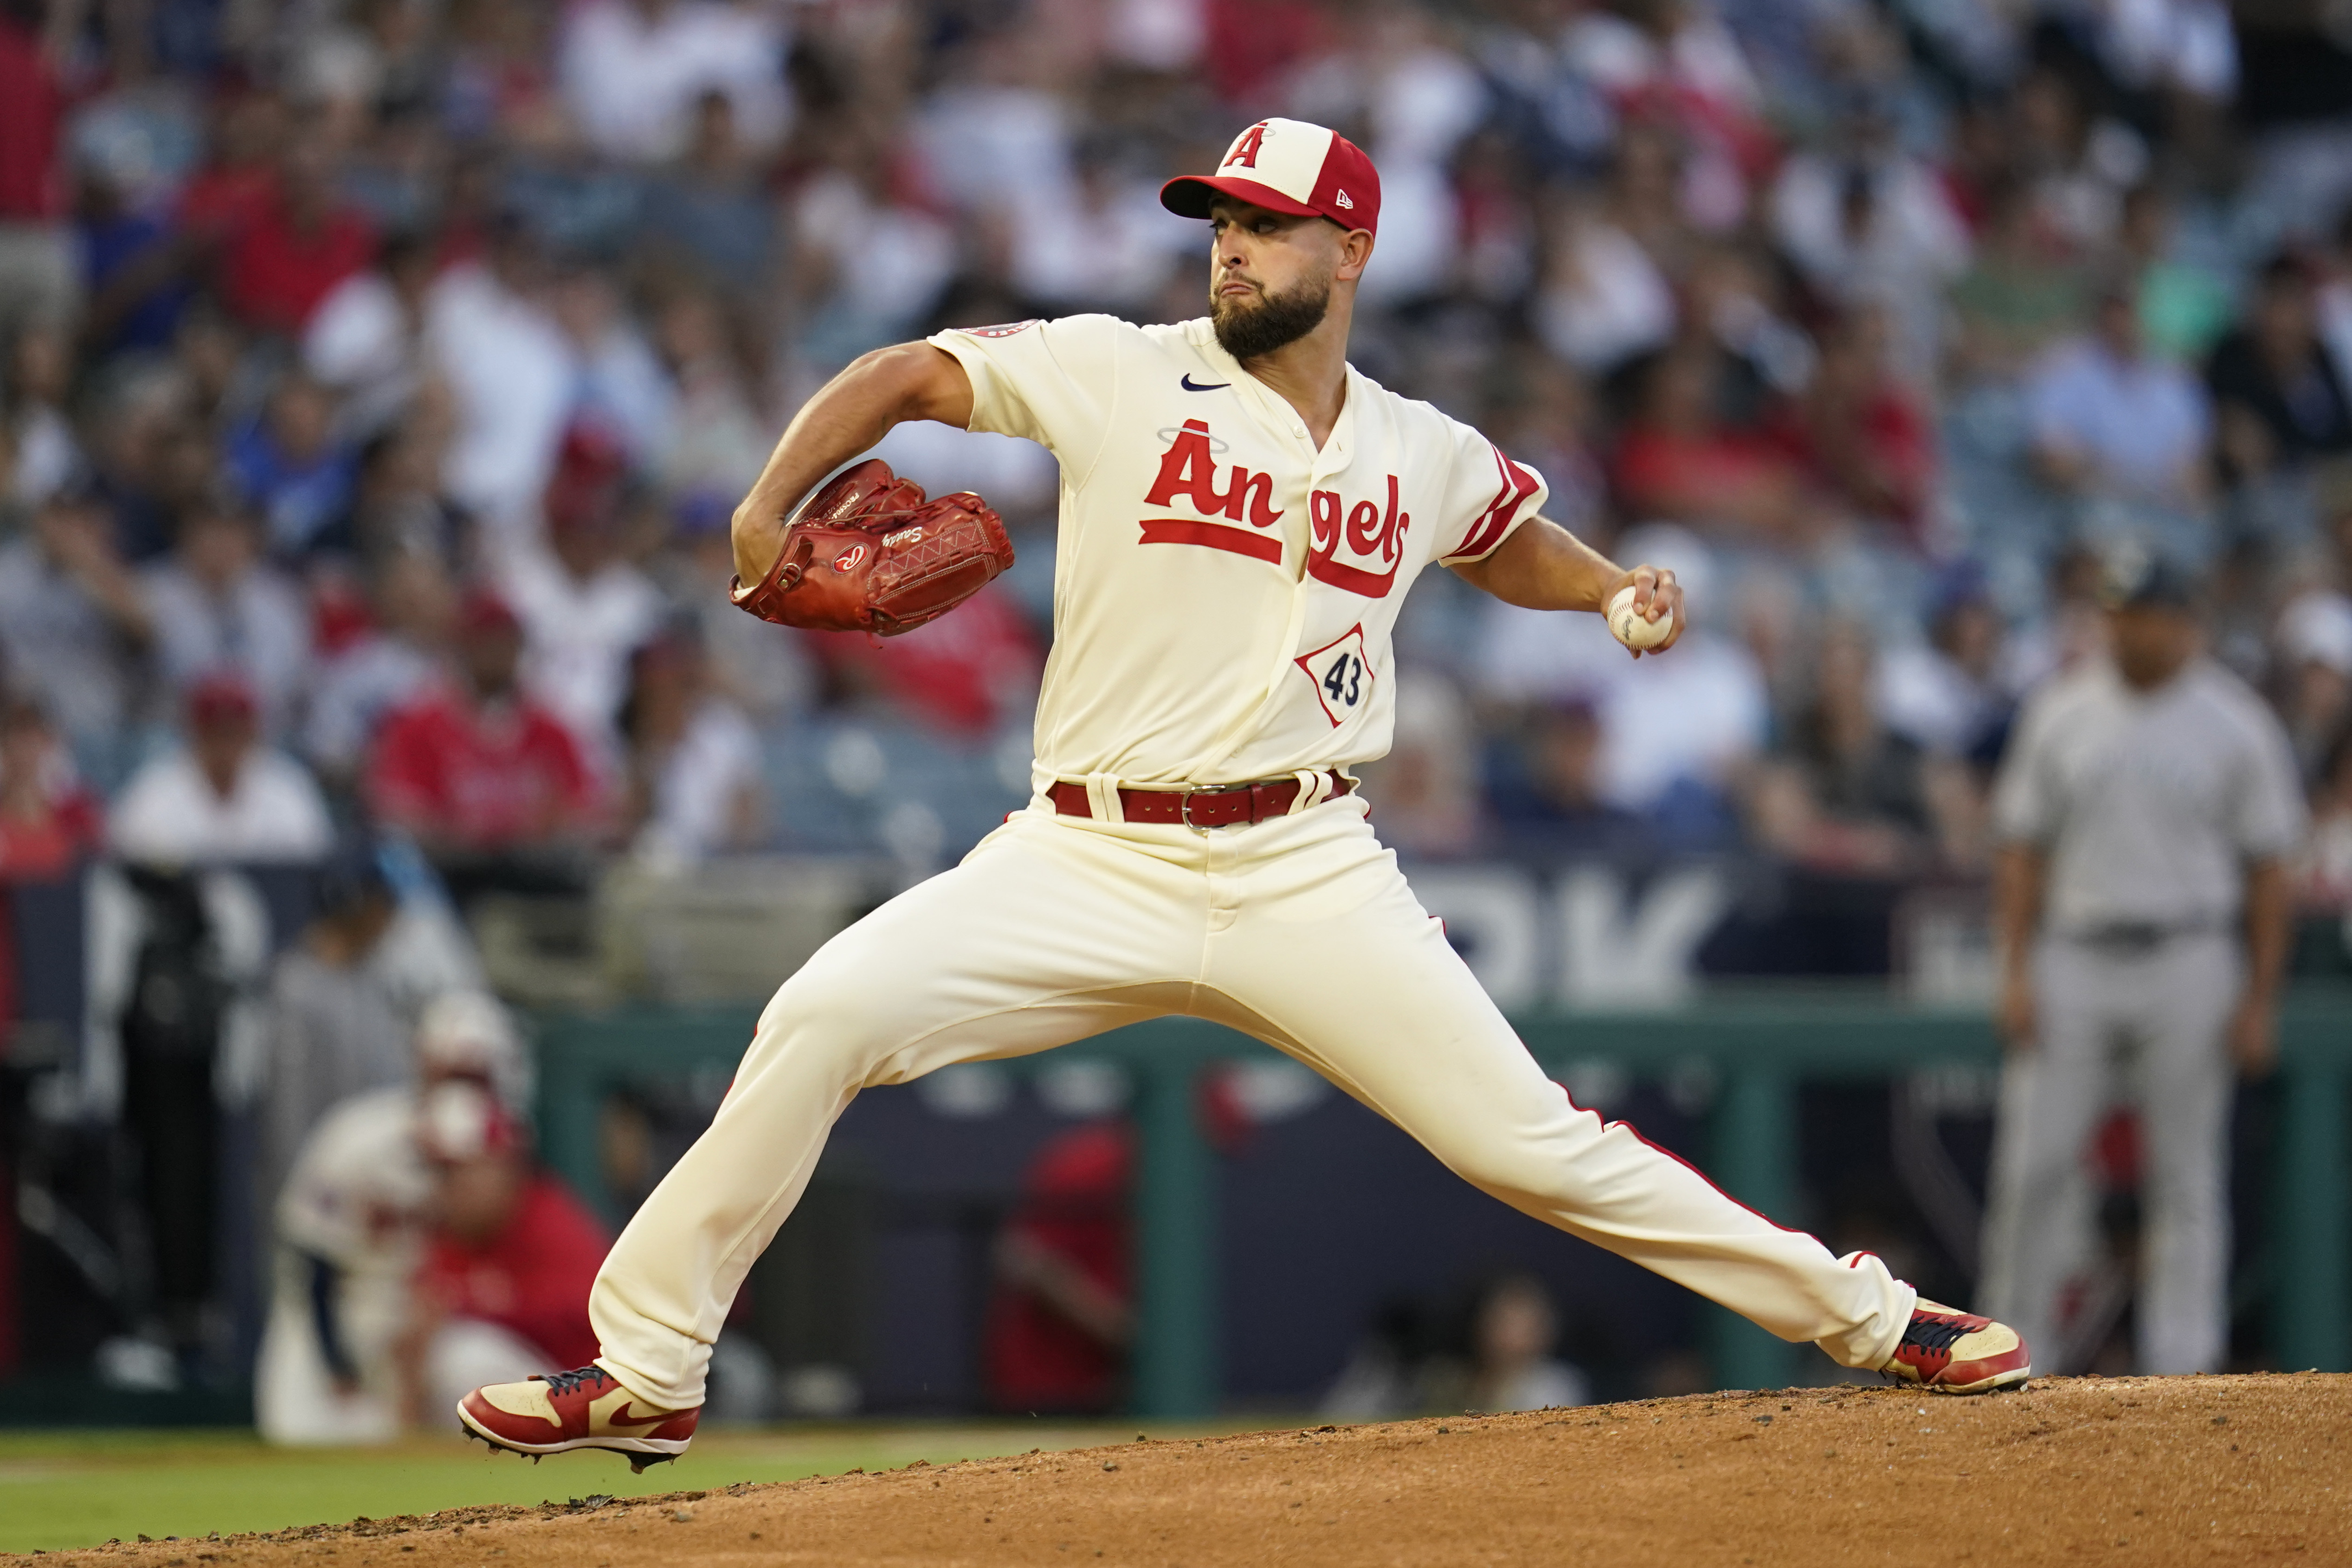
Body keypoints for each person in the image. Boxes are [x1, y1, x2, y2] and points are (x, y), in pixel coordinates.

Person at [457, 117, 2029, 1471]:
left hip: (1303, 862)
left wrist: (1609, 584)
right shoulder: (1113, 371)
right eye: (1216, 221)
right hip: (1083, 851)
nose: (1226, 248)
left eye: (1261, 227)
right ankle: (650, 1367)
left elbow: (1495, 531)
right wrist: (761, 499)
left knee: (1534, 1144)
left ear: (1343, 250)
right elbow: (905, 372)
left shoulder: (1415, 446)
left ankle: (1871, 1314)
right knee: (819, 1014)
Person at [1980, 552, 2305, 1375]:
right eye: (2117, 611)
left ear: (2183, 620)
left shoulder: (2233, 720)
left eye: (2144, 612)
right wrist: (2013, 970)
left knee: (2184, 1174)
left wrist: (2259, 997)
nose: (2128, 627)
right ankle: (2012, 1350)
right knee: (2037, 1162)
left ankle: (2182, 1367)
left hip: (2188, 951)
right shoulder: (2061, 708)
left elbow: (2270, 872)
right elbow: (2020, 851)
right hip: (2075, 950)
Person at [110, 672, 335, 865]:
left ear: (253, 731)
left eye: (236, 729)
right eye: (216, 730)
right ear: (194, 731)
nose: (227, 743)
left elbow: (313, 870)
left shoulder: (288, 787)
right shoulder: (153, 792)